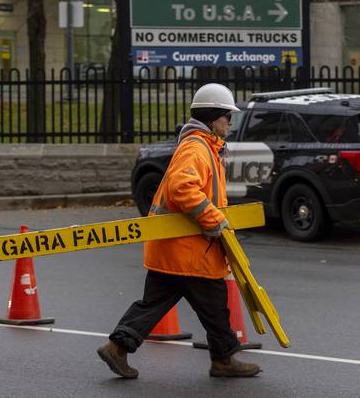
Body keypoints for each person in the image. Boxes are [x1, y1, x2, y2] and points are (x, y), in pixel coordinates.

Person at [97, 83, 261, 379]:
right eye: (227, 117)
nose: (230, 123)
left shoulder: (202, 146)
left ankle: (116, 348)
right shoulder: (197, 149)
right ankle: (224, 360)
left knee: (153, 305)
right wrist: (213, 220)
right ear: (213, 118)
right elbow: (182, 187)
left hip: (171, 249)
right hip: (190, 252)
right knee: (215, 308)